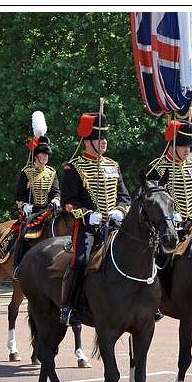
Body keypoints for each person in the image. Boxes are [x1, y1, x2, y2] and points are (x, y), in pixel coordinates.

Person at [59, 111, 131, 326]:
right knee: (79, 261)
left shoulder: (113, 165)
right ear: (88, 141)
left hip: (116, 225)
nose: (104, 142)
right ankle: (68, 307)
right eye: (99, 138)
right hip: (88, 227)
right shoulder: (74, 168)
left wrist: (121, 209)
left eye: (105, 137)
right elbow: (69, 203)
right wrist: (89, 215)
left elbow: (125, 196)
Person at [146, 119, 192, 235]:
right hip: (167, 228)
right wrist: (169, 214)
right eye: (183, 146)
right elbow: (151, 200)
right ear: (172, 145)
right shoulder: (157, 167)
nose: (187, 150)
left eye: (189, 146)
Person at [12, 112, 61, 268]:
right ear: (36, 155)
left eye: (47, 154)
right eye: (42, 154)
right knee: (24, 232)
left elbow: (56, 191)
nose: (45, 157)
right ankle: (18, 263)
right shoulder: (26, 172)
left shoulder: (52, 172)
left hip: (49, 210)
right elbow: (19, 195)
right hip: (32, 211)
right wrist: (24, 205)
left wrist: (56, 199)